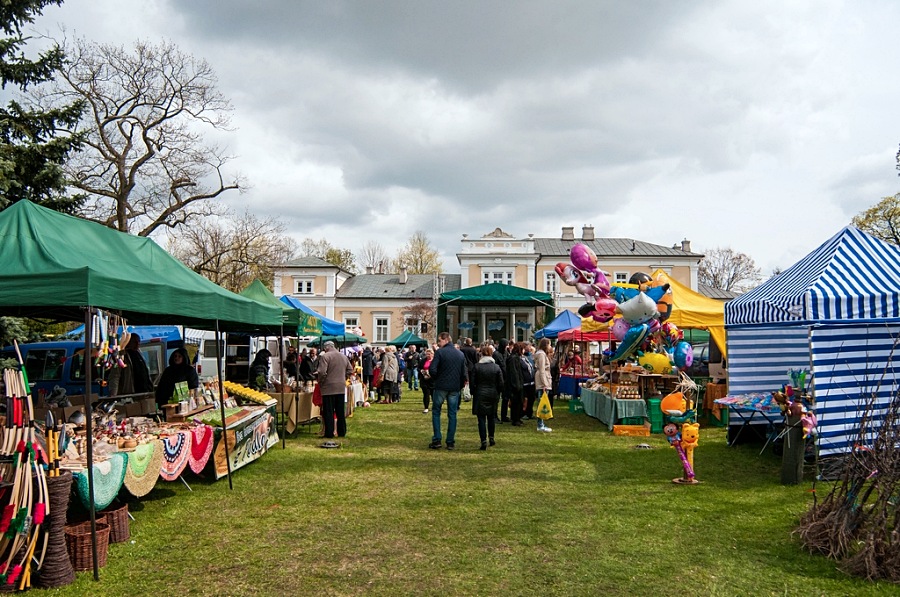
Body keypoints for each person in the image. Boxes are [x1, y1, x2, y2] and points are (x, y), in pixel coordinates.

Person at [427, 332, 467, 450]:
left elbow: (432, 369)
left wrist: (437, 379)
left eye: (439, 341)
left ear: (444, 340)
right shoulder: (460, 354)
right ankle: (450, 441)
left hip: (441, 386)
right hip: (454, 387)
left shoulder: (440, 352)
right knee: (452, 414)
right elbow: (464, 373)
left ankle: (437, 439)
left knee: (436, 412)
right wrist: (459, 385)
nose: (438, 343)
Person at [316, 340, 352, 439]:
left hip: (328, 388)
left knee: (329, 411)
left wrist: (321, 381)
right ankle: (342, 432)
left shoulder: (325, 357)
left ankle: (329, 433)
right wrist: (343, 377)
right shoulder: (343, 356)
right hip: (340, 387)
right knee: (340, 411)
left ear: (326, 348)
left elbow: (322, 372)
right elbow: (350, 370)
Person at [470, 345, 503, 450]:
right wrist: (498, 392)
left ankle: (483, 440)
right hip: (493, 393)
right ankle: (491, 437)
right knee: (491, 417)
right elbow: (501, 383)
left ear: (481, 354)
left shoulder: (477, 366)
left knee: (481, 419)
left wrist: (473, 392)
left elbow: (472, 382)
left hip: (480, 393)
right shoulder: (496, 367)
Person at [534, 338, 553, 432]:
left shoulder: (542, 354)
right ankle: (540, 424)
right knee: (541, 403)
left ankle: (541, 424)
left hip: (544, 378)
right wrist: (545, 384)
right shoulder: (541, 355)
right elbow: (542, 370)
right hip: (543, 380)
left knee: (542, 402)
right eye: (549, 344)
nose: (550, 346)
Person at [505, 342, 526, 426]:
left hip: (517, 383)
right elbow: (514, 373)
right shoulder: (513, 358)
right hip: (515, 385)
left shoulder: (516, 358)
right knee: (515, 403)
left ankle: (517, 418)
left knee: (518, 402)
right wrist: (517, 384)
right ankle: (515, 419)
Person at [493, 338, 508, 423]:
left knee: (505, 398)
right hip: (498, 379)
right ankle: (494, 416)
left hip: (505, 378)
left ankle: (504, 415)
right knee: (496, 398)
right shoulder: (496, 354)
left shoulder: (506, 353)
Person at [419, 347, 434, 413]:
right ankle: (426, 407)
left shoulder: (435, 361)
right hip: (424, 380)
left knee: (434, 395)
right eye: (426, 354)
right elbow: (419, 367)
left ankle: (435, 407)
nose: (427, 356)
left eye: (429, 354)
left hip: (433, 380)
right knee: (426, 394)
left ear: (432, 354)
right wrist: (422, 371)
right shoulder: (423, 360)